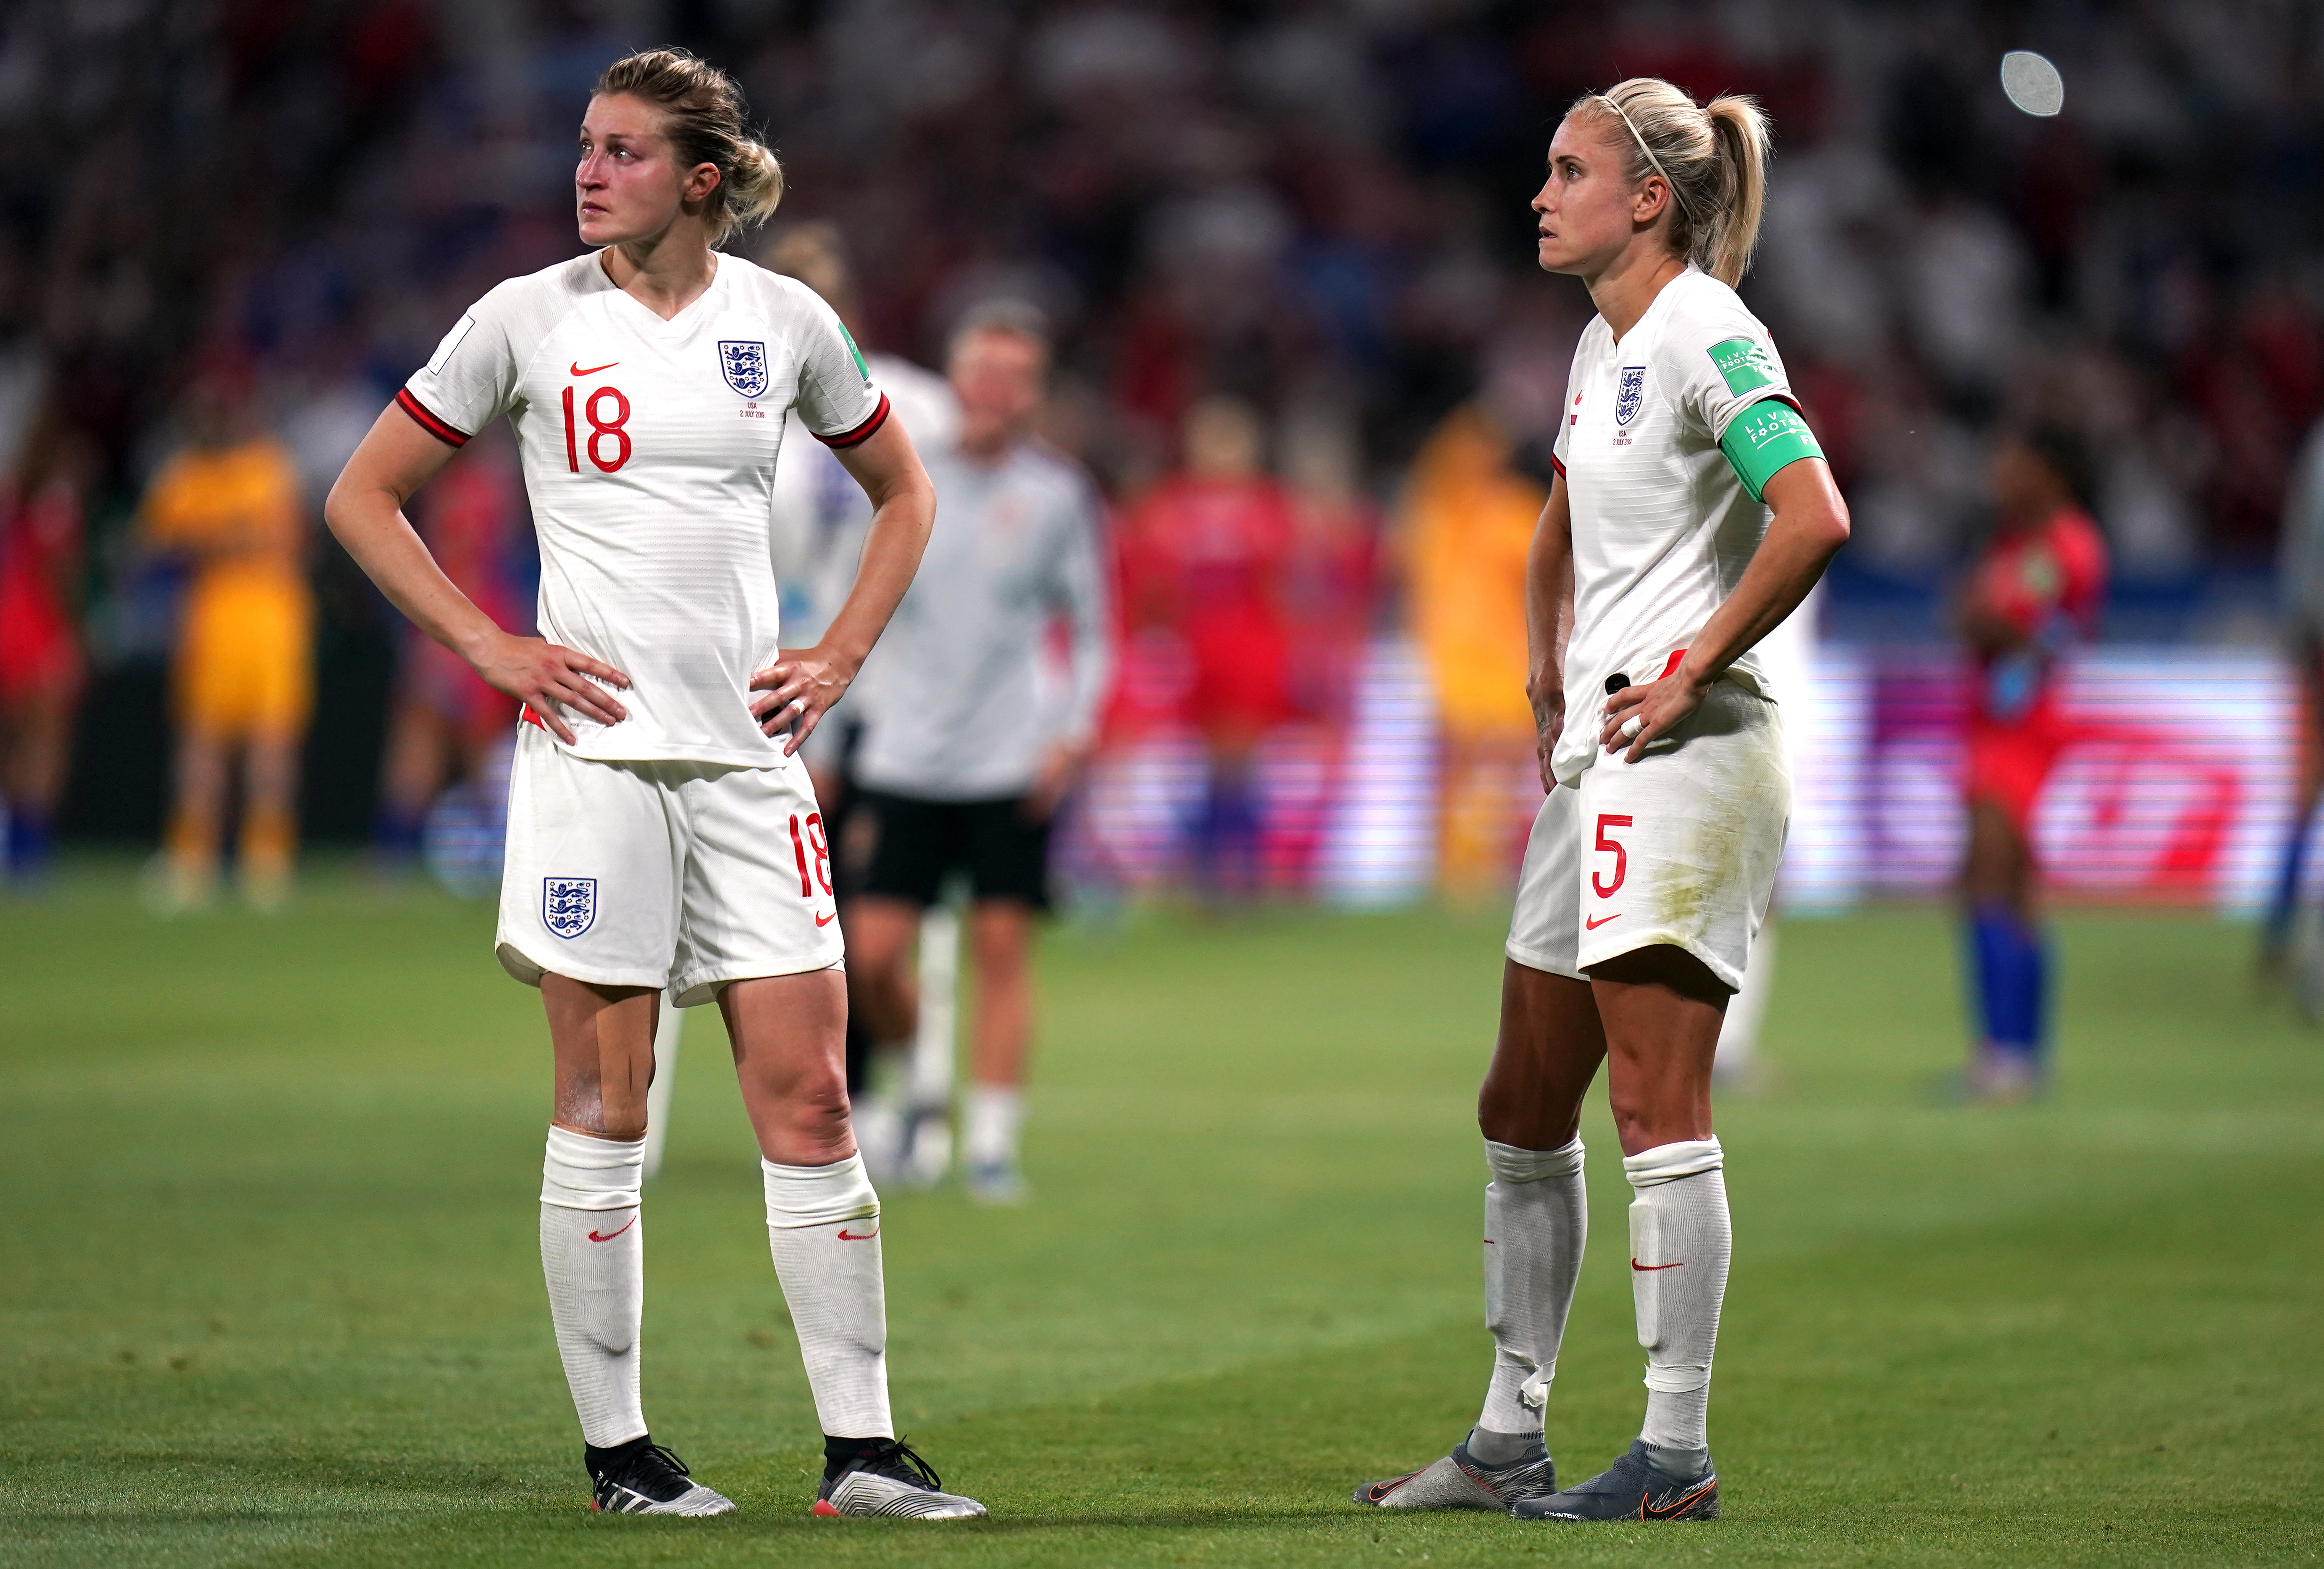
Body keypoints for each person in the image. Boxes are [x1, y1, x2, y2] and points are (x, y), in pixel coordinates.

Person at [323, 49, 984, 1520]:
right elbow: (363, 494)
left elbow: (905, 487)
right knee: (603, 1102)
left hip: (752, 762)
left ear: (699, 179)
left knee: (814, 1097)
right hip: (596, 766)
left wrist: (842, 651)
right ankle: (624, 1454)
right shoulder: (523, 319)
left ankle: (864, 1451)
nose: (588, 171)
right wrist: (490, 642)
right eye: (585, 146)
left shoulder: (787, 322)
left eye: (622, 150)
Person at [1356, 78, 1849, 1521]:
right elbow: (1558, 519)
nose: (1539, 192)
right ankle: (1509, 1430)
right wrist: (1536, 662)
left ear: (1646, 199)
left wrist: (1690, 661)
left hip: (1685, 756)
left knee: (1653, 1096)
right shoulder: (1598, 338)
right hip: (1597, 755)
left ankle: (1675, 1453)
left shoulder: (1706, 328)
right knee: (1521, 1101)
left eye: (1566, 171)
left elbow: (1814, 512)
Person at [842, 300, 1110, 1205]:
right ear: (955, 382)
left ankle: (991, 1142)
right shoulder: (906, 480)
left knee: (1002, 951)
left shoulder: (1056, 496)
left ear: (1034, 392)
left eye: (1014, 375)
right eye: (981, 371)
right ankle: (918, 1076)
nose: (994, 390)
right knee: (868, 956)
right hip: (905, 754)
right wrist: (843, 723)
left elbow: (1095, 627)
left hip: (1007, 760)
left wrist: (1069, 734)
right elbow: (855, 610)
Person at [1956, 427, 2106, 1101]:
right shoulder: (2016, 541)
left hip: (2024, 729)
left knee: (1990, 881)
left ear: (2048, 472)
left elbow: (2020, 624)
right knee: (2008, 887)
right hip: (1998, 723)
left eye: (2015, 462)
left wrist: (1988, 617)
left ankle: (2004, 1057)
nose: (2000, 472)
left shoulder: (2063, 545)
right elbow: (1977, 616)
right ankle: (2022, 1053)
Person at [138, 363, 313, 913]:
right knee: (204, 741)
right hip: (212, 620)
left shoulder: (269, 469)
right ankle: (193, 855)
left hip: (270, 619)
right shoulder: (185, 475)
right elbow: (149, 547)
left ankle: (266, 858)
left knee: (270, 742)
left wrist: (208, 540)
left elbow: (287, 541)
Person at [1117, 395, 1293, 901]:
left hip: (1249, 643)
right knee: (1213, 759)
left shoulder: (1264, 506)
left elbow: (1281, 584)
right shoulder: (1174, 506)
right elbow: (1150, 582)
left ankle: (1232, 867)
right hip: (1200, 646)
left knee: (1238, 756)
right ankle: (1221, 867)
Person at [1401, 398, 1549, 901]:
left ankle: (1484, 868)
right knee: (1461, 769)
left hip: (1503, 664)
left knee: (1500, 769)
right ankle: (1457, 872)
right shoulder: (1434, 515)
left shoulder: (1513, 512)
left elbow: (1546, 583)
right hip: (1450, 667)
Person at [372, 426, 530, 881]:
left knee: (473, 745)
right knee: (426, 738)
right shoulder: (470, 487)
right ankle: (396, 854)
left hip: (465, 619)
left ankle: (501, 857)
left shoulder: (473, 490)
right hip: (469, 619)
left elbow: (468, 565)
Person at [0, 405, 94, 883]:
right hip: (35, 633)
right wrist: (69, 640)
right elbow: (59, 580)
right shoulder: (55, 502)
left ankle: (14, 848)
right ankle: (29, 856)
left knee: (12, 746)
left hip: (6, 621)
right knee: (44, 747)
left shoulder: (14, 494)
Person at [2260, 415, 2324, 979]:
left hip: (2312, 642)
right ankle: (2286, 937)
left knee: (2304, 796)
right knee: (2304, 792)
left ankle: (2280, 933)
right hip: (2317, 646)